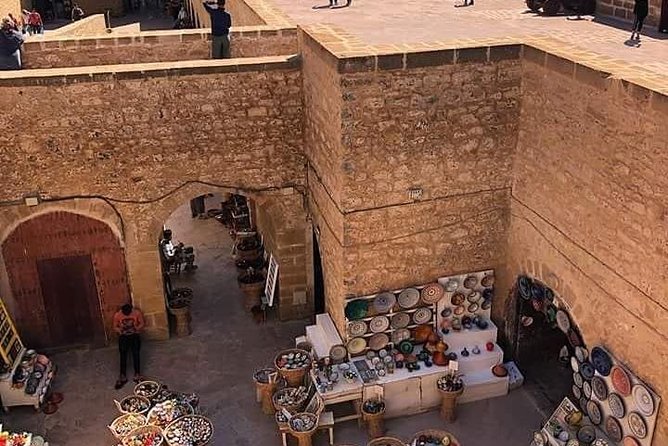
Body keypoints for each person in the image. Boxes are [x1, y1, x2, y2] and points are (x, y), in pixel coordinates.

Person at [113, 303, 145, 389]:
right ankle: (122, 375)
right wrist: (120, 331)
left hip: (134, 335)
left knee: (136, 354)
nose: (126, 314)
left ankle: (137, 374)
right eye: (125, 313)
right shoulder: (118, 315)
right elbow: (115, 326)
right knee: (123, 355)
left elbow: (142, 323)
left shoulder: (137, 313)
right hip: (123, 336)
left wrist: (136, 329)